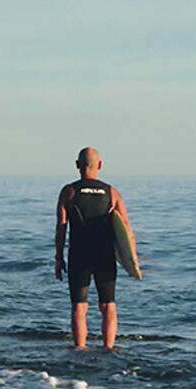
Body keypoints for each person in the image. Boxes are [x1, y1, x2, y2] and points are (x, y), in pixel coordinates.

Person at [54, 147, 137, 349]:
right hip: (105, 256)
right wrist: (132, 260)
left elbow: (61, 226)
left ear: (77, 165)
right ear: (99, 165)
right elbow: (125, 227)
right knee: (108, 305)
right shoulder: (112, 192)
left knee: (79, 307)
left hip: (79, 256)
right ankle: (109, 348)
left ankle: (80, 348)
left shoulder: (69, 192)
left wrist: (58, 257)